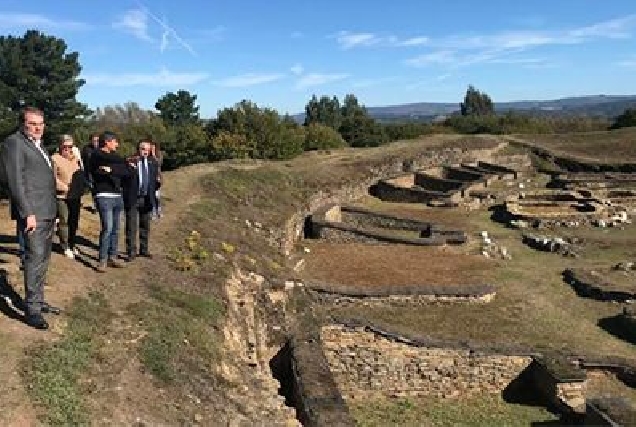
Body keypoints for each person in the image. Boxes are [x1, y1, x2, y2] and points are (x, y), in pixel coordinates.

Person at [0, 107, 58, 330]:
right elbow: (16, 182)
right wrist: (27, 214)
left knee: (43, 259)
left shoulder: (39, 145)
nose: (38, 127)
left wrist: (53, 213)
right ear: (22, 124)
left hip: (47, 212)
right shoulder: (14, 143)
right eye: (32, 123)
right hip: (33, 214)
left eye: (41, 123)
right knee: (34, 260)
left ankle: (37, 300)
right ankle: (32, 311)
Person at [89, 131, 131, 273]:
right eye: (115, 141)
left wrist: (112, 169)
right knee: (107, 228)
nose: (117, 145)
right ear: (107, 142)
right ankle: (102, 259)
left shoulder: (115, 157)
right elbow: (101, 167)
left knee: (116, 229)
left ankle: (112, 256)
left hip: (117, 195)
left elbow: (127, 170)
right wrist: (119, 166)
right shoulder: (96, 155)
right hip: (104, 195)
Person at [123, 140, 160, 261]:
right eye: (143, 149)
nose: (145, 151)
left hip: (147, 198)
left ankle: (144, 249)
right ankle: (131, 252)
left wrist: (157, 185)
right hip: (133, 197)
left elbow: (154, 181)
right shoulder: (130, 161)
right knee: (131, 226)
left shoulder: (152, 162)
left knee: (145, 225)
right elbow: (124, 179)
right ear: (138, 149)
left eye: (147, 150)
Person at [51, 135, 85, 259]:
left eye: (70, 146)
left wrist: (78, 158)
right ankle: (64, 245)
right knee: (64, 220)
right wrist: (64, 187)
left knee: (74, 221)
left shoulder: (75, 158)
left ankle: (72, 243)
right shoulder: (54, 159)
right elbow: (52, 178)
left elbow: (81, 173)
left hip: (75, 195)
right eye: (65, 146)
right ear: (60, 146)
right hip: (62, 196)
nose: (67, 149)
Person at [81, 133, 100, 212]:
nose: (96, 142)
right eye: (94, 141)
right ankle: (95, 205)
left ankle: (99, 205)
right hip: (89, 172)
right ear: (91, 141)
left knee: (99, 189)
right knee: (93, 188)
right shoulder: (86, 149)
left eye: (97, 141)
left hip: (99, 172)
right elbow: (82, 160)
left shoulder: (102, 149)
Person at [149, 140, 163, 219]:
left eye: (153, 147)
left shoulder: (159, 155)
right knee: (151, 196)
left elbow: (159, 164)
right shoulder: (148, 156)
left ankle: (159, 210)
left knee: (157, 196)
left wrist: (154, 155)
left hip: (157, 178)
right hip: (150, 178)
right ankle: (153, 212)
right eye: (151, 147)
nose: (152, 149)